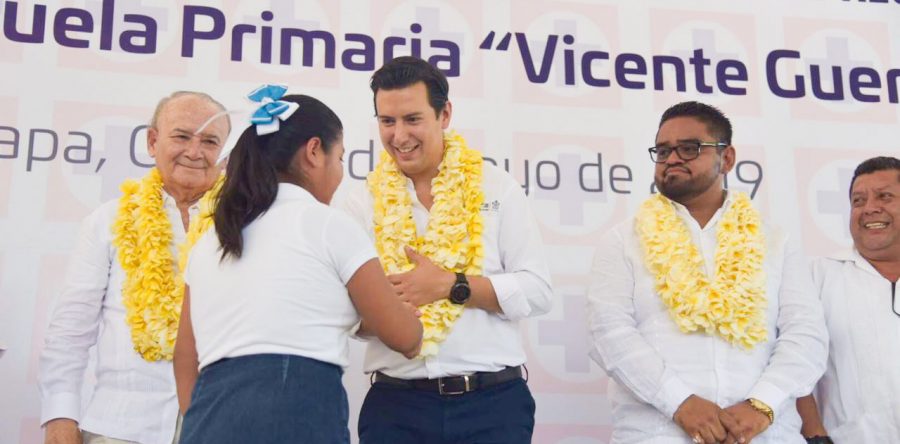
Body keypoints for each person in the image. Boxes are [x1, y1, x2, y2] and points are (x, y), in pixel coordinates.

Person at [173, 88, 423, 444]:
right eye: (339, 159)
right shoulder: (329, 226)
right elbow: (405, 337)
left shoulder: (209, 241)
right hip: (296, 414)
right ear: (313, 152)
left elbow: (185, 357)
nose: (339, 174)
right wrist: (407, 310)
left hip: (208, 421)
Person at [338, 56, 553, 443]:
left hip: (493, 406)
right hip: (396, 408)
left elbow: (538, 292)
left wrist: (452, 285)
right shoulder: (359, 203)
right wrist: (387, 312)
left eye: (412, 119)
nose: (399, 135)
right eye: (387, 121)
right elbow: (345, 314)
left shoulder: (495, 187)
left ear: (445, 114)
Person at [587, 101, 828, 444]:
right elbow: (608, 334)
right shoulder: (622, 240)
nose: (672, 159)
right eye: (663, 150)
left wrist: (761, 405)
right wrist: (680, 403)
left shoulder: (774, 241)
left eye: (689, 148)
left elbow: (806, 335)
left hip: (766, 435)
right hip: (659, 434)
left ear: (726, 158)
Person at [38, 91, 231, 444]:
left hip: (218, 424)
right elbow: (70, 332)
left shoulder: (242, 226)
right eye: (182, 136)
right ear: (153, 141)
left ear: (224, 152)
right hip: (120, 426)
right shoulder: (107, 221)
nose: (195, 151)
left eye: (209, 141)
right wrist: (60, 416)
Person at [796, 156, 900, 444]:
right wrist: (816, 436)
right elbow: (792, 363)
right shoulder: (817, 276)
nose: (869, 209)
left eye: (885, 197)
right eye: (858, 201)